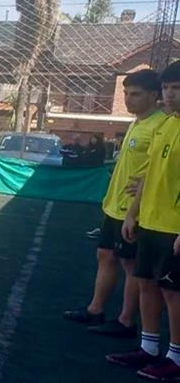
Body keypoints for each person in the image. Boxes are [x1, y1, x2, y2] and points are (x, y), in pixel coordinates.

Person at [63, 69, 166, 338]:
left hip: (132, 208)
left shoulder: (160, 125)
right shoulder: (137, 122)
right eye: (126, 93)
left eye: (136, 94)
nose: (129, 99)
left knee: (130, 265)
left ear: (154, 95)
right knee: (105, 255)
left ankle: (125, 321)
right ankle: (95, 309)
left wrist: (144, 184)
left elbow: (163, 165)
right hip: (114, 204)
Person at [108, 60, 180, 381]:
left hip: (173, 227)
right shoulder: (166, 125)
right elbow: (149, 175)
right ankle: (148, 348)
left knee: (173, 293)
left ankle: (176, 357)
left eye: (177, 88)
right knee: (147, 284)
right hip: (149, 221)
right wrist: (133, 213)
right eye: (167, 88)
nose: (170, 94)